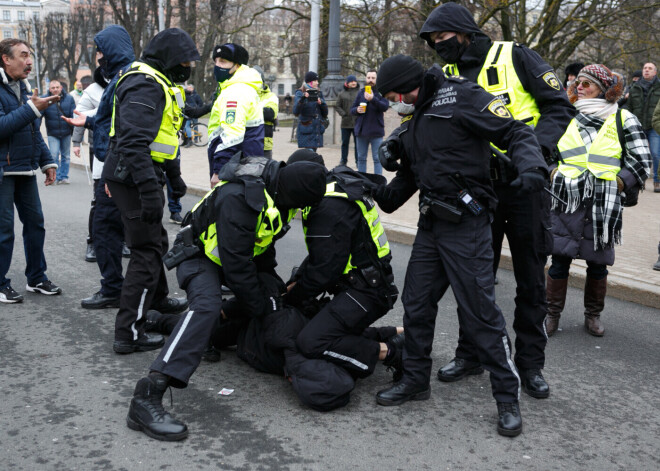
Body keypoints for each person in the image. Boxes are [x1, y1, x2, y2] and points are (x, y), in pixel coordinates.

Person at [372, 54, 549, 437]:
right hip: (431, 224)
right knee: (416, 304)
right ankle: (415, 379)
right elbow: (401, 186)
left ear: (412, 83)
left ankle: (507, 399)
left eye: (400, 93)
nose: (398, 101)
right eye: (391, 97)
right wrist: (362, 182)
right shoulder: (415, 116)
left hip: (467, 226)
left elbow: (515, 132)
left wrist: (533, 167)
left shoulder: (462, 97)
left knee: (481, 314)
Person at [419, 2, 576, 400]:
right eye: (433, 43)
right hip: (476, 191)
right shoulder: (444, 75)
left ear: (464, 32)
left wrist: (534, 156)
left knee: (529, 280)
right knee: (474, 280)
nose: (440, 47)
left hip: (525, 187)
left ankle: (530, 365)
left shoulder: (514, 54)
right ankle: (470, 354)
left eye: (444, 38)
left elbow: (558, 107)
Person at [125, 155, 327, 441]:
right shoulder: (241, 197)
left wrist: (272, 292)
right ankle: (147, 395)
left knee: (271, 296)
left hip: (235, 259)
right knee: (208, 307)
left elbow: (261, 248)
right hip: (199, 256)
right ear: (294, 194)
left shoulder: (278, 193)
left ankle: (168, 324)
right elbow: (237, 268)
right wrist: (259, 308)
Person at [100, 28, 198, 353]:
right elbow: (133, 141)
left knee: (156, 241)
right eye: (185, 61)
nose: (189, 67)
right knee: (145, 251)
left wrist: (175, 179)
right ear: (170, 58)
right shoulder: (145, 82)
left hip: (137, 172)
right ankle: (128, 333)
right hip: (132, 175)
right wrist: (150, 191)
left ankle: (156, 301)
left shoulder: (160, 82)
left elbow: (163, 138)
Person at [545, 65, 651, 337]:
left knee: (598, 264)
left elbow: (642, 160)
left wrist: (619, 181)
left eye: (587, 83)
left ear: (603, 89)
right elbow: (543, 150)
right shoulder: (565, 114)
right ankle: (551, 314)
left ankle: (593, 316)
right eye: (577, 82)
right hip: (566, 199)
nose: (579, 86)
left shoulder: (623, 118)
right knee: (559, 260)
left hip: (603, 204)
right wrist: (553, 171)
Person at [283, 149, 403, 383]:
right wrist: (297, 280)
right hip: (366, 283)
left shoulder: (328, 206)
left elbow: (324, 272)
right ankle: (399, 335)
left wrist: (293, 297)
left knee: (311, 342)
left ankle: (394, 354)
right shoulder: (335, 187)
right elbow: (326, 253)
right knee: (326, 325)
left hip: (366, 291)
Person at [63, 25, 143, 311]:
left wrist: (113, 171)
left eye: (100, 50)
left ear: (112, 50)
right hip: (115, 167)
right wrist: (86, 122)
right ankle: (137, 292)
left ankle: (121, 292)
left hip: (118, 169)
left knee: (114, 230)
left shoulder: (127, 78)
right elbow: (110, 119)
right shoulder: (120, 78)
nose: (98, 56)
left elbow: (123, 127)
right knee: (120, 230)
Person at [0, 38, 62, 303]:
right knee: (3, 231)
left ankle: (36, 277)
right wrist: (31, 109)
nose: (29, 61)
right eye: (24, 55)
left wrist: (47, 162)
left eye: (30, 56)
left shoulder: (25, 87)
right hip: (3, 171)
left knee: (36, 224)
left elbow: (32, 131)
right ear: (6, 58)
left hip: (24, 170)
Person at [207, 43, 264, 188]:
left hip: (234, 169)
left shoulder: (236, 91)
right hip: (246, 165)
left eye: (223, 62)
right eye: (216, 61)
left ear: (237, 66)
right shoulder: (242, 87)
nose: (217, 66)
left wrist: (219, 171)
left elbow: (233, 135)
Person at [625, 62, 660, 192]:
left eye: (650, 68)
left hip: (654, 125)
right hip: (637, 125)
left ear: (655, 72)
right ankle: (640, 180)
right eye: (645, 68)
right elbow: (629, 107)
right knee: (637, 155)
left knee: (656, 154)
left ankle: (657, 181)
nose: (646, 70)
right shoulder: (635, 87)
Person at [351, 70, 389, 174]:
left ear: (377, 79)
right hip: (361, 131)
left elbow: (385, 106)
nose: (370, 80)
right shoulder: (361, 92)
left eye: (373, 78)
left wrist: (373, 99)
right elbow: (352, 109)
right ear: (366, 79)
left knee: (377, 159)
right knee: (361, 158)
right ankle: (362, 181)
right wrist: (357, 110)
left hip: (376, 132)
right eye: (368, 78)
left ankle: (378, 182)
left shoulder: (381, 92)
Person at [42, 80, 75, 184]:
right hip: (52, 132)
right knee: (54, 155)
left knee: (66, 156)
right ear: (49, 89)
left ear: (61, 88)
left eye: (57, 87)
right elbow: (39, 115)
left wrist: (76, 131)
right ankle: (55, 177)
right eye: (53, 88)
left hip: (66, 132)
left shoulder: (69, 98)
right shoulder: (45, 99)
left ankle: (64, 176)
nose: (55, 89)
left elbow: (73, 114)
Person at [294, 71, 328, 152]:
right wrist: (303, 98)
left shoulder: (319, 93)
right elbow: (296, 111)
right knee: (310, 155)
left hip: (316, 129)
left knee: (312, 155)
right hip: (306, 129)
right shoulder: (300, 93)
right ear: (309, 82)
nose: (317, 83)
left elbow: (325, 113)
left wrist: (322, 103)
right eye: (315, 81)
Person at [252, 65, 279, 158]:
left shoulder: (271, 96)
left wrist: (248, 110)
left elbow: (270, 114)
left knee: (265, 171)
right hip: (246, 143)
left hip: (264, 145)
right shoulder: (245, 94)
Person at [335, 75, 359, 166]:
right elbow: (337, 106)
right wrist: (343, 114)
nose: (353, 83)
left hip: (357, 122)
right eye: (351, 81)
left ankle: (358, 161)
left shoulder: (359, 93)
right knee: (345, 143)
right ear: (347, 83)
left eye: (355, 81)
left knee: (357, 144)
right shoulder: (342, 94)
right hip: (345, 123)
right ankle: (343, 160)